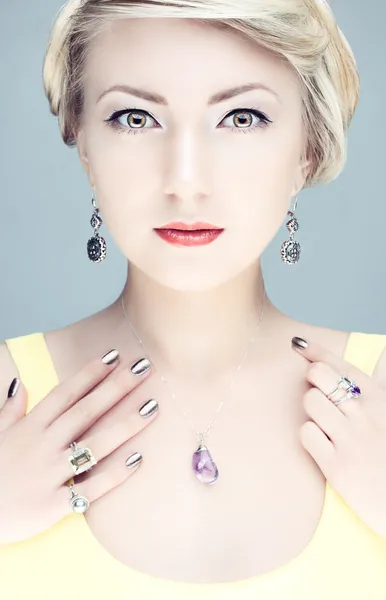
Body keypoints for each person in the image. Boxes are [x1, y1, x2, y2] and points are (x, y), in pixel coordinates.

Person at [1, 0, 386, 598]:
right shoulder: (9, 396)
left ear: (307, 148)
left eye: (241, 118)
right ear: (83, 146)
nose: (185, 180)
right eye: (134, 118)